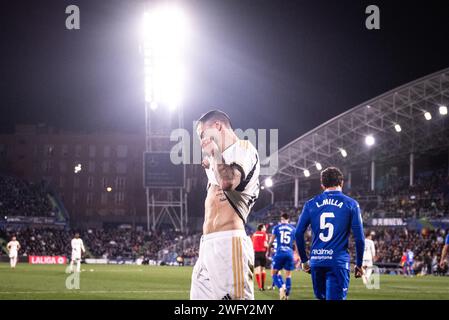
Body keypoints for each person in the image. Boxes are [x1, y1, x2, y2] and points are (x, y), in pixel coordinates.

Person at [190, 110, 260, 300]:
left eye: (202, 134)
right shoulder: (219, 159)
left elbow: (229, 182)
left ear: (218, 126)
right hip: (207, 246)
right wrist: (212, 160)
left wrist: (214, 154)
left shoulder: (244, 147)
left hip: (229, 244)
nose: (201, 141)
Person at [295, 167, 365, 300]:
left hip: (317, 262)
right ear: (342, 183)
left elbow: (298, 233)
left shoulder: (311, 204)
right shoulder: (351, 204)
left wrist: (304, 261)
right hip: (338, 263)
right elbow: (360, 238)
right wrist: (359, 264)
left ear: (322, 185)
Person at [268, 213, 296, 300]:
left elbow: (271, 241)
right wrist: (296, 253)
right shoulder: (293, 229)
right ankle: (287, 295)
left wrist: (268, 249)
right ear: (288, 220)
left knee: (274, 273)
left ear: (281, 219)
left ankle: (281, 288)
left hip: (279, 253)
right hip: (289, 253)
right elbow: (296, 243)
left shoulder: (276, 228)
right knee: (288, 275)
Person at [252, 224, 268, 291]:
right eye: (264, 227)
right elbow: (265, 244)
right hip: (263, 253)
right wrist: (267, 249)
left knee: (257, 270)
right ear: (261, 228)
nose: (265, 228)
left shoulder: (254, 234)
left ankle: (260, 287)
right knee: (263, 270)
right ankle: (263, 287)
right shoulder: (264, 234)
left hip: (256, 253)